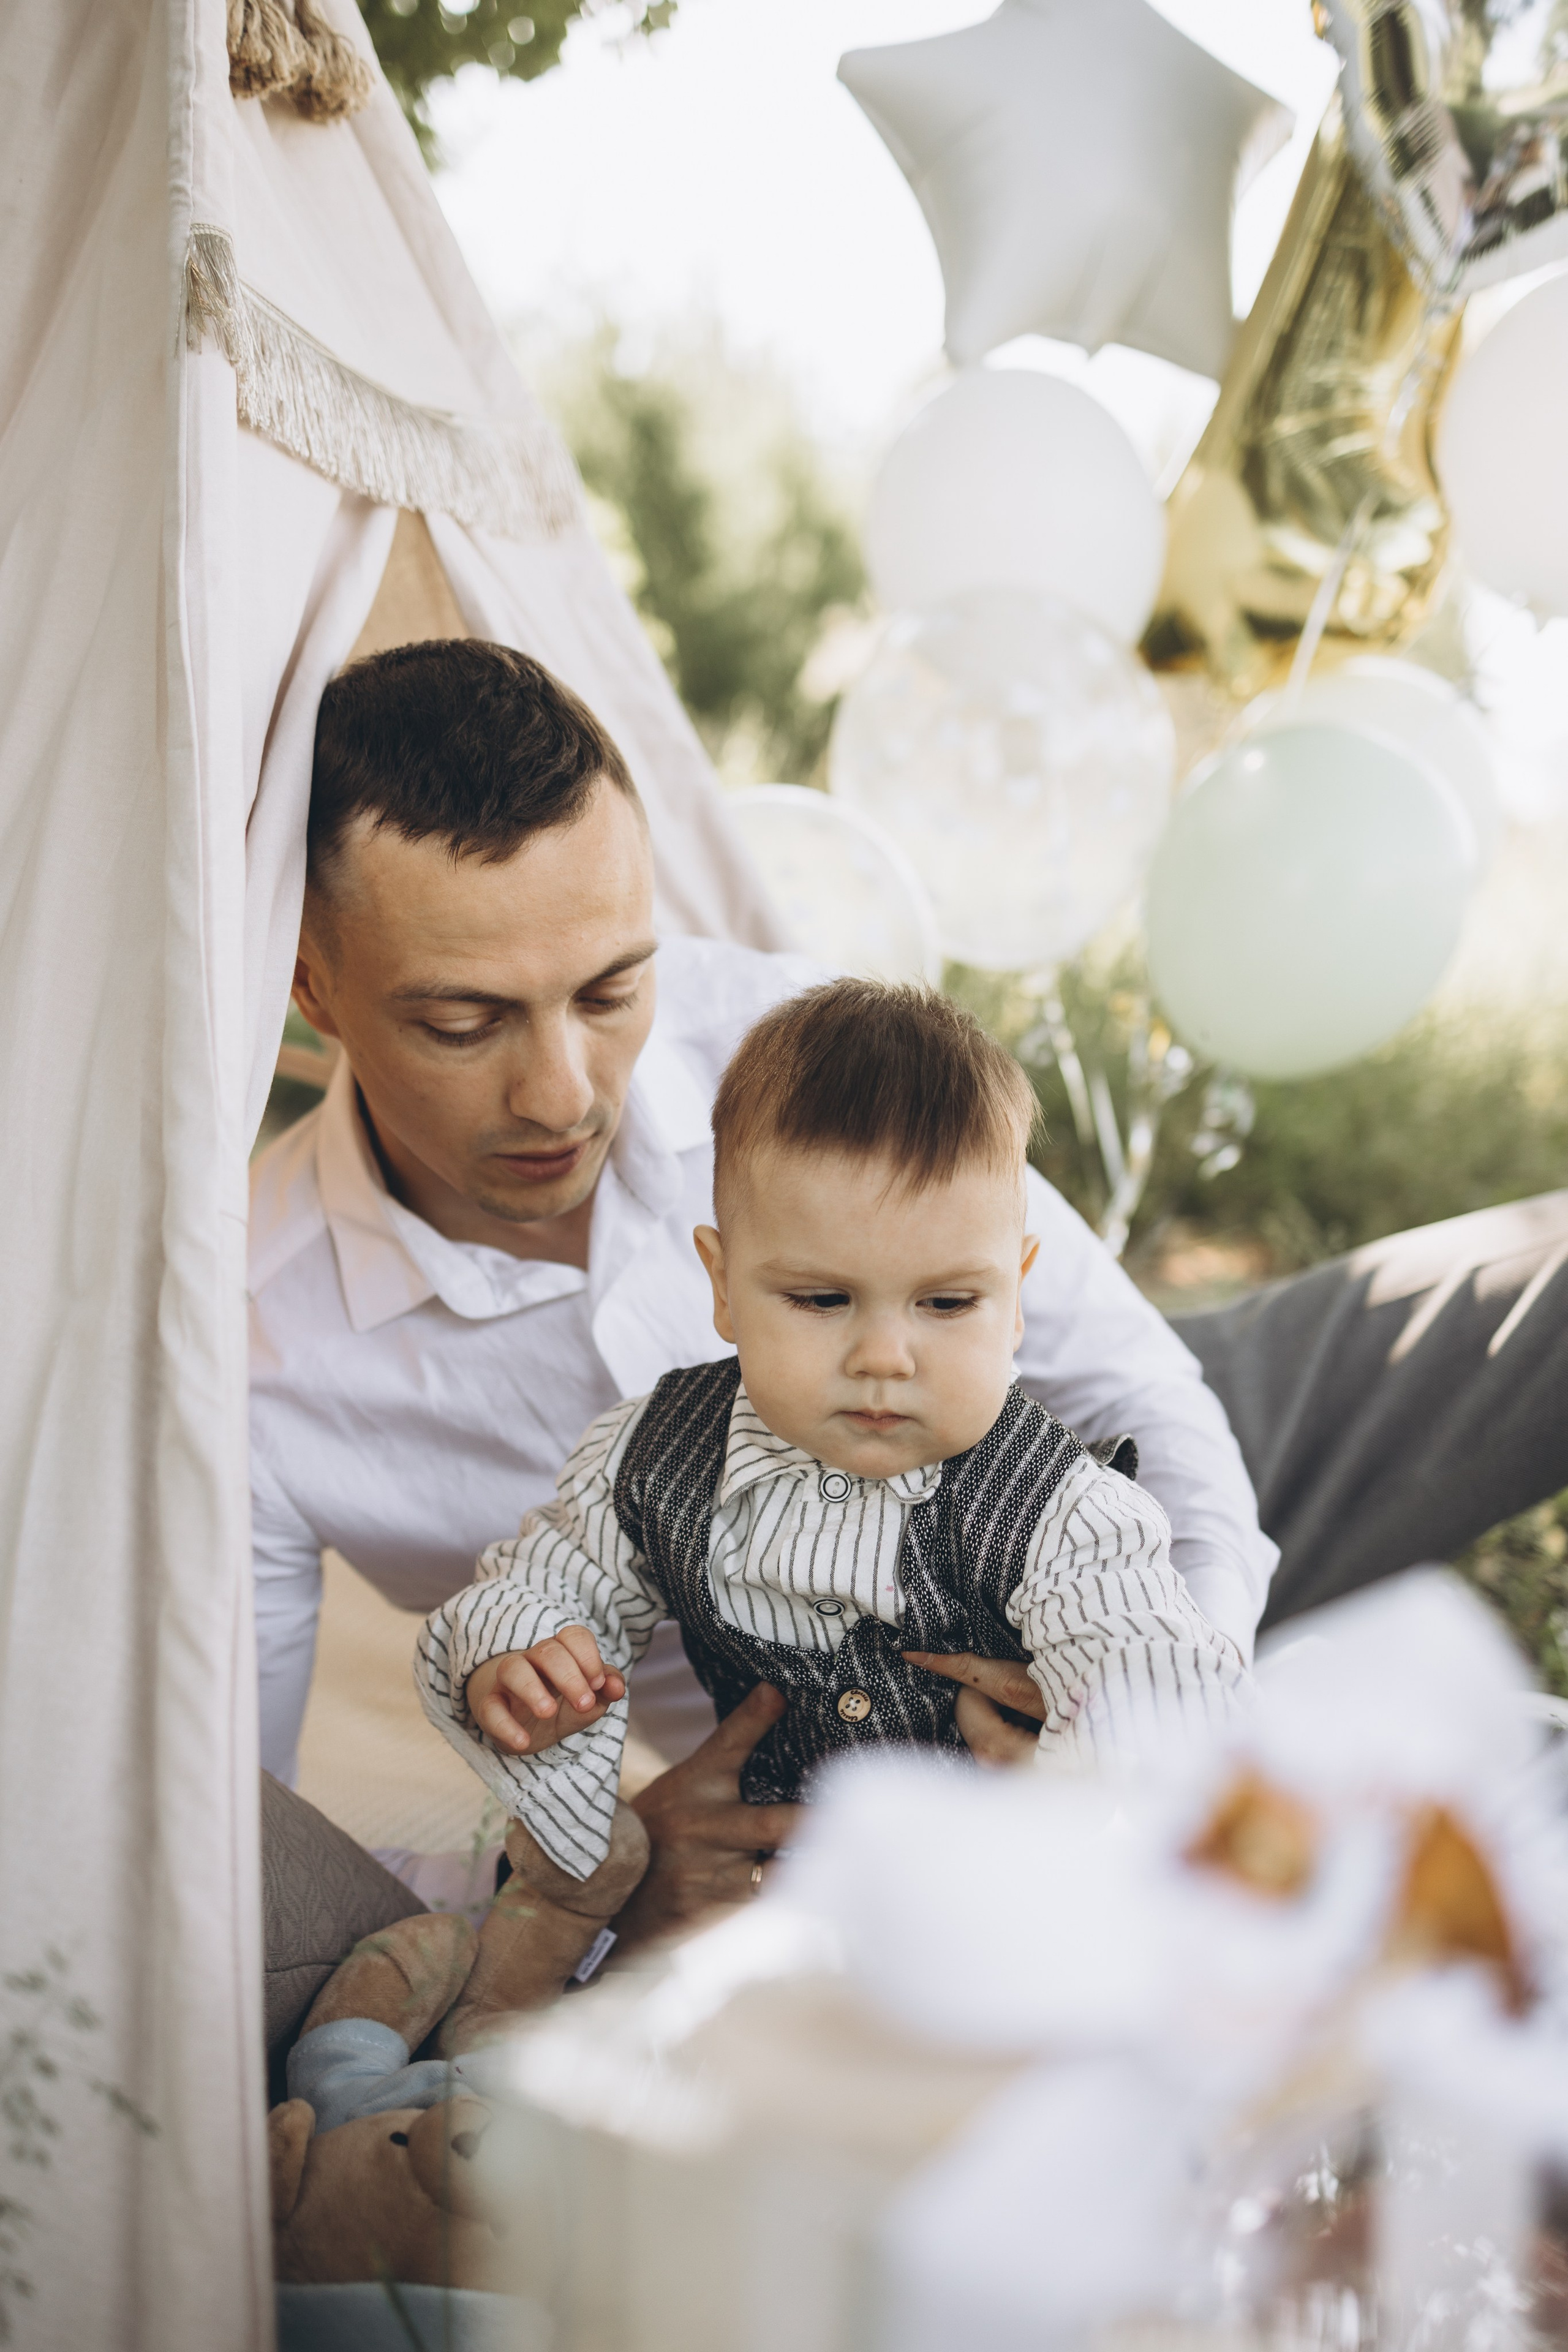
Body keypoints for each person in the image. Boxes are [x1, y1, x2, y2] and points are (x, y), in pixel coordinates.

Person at [250, 637, 1275, 1940]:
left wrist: (1151, 1718)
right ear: (307, 986)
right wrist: (610, 1870)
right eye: (464, 1023)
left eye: (613, 985)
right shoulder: (251, 1352)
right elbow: (240, 1827)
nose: (563, 1092)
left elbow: (1137, 1388)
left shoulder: (789, 1049)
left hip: (1134, 1511)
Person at [415, 981, 1245, 1876]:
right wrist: (524, 1651)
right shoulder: (652, 1455)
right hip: (782, 1887)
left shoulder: (1058, 1511)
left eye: (948, 1302)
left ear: (1015, 1298)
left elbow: (1149, 1671)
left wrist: (1093, 1788)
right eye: (821, 1299)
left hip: (1005, 1888)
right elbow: (553, 1578)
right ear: (724, 1286)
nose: (885, 1356)